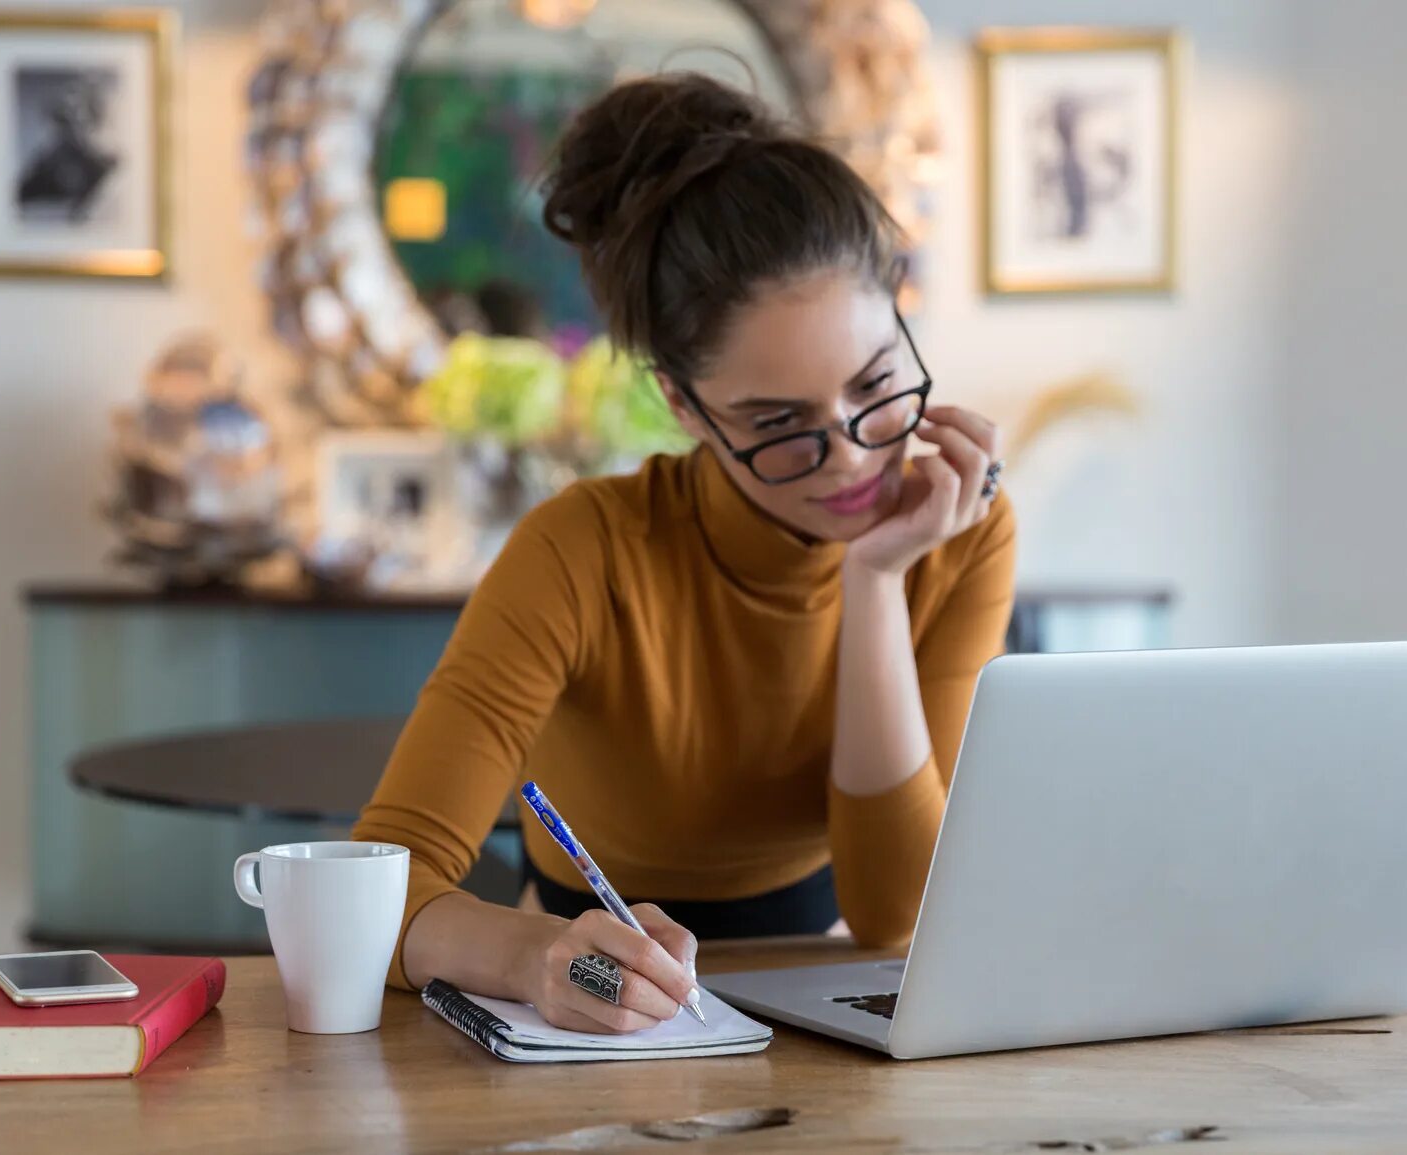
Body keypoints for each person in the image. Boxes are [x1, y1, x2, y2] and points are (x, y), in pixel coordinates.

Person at [354, 73, 1016, 1034]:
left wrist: (872, 578)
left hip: (830, 999)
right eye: (778, 423)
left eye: (876, 384)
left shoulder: (959, 526)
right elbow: (385, 880)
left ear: (903, 318)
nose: (851, 455)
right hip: (584, 1008)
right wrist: (535, 957)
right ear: (682, 405)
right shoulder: (582, 548)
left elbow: (899, 914)